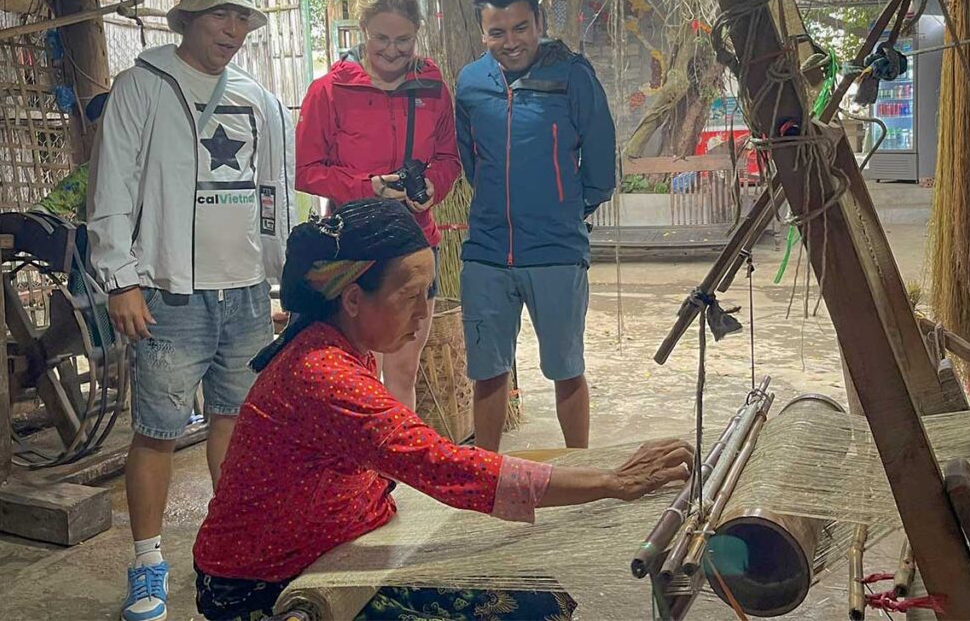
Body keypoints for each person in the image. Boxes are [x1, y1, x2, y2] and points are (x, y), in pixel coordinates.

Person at [190, 198, 691, 620]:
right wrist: (611, 483)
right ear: (352, 299)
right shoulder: (324, 375)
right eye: (410, 296)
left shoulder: (336, 341)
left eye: (427, 292)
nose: (425, 313)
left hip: (334, 542)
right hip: (260, 587)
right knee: (530, 610)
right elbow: (446, 466)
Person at [87, 0, 295, 621]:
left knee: (235, 423)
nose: (232, 30)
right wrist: (120, 277)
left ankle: (227, 551)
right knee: (155, 430)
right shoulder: (143, 86)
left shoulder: (259, 100)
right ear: (188, 19)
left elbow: (273, 198)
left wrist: (281, 279)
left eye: (241, 18)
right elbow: (112, 187)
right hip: (168, 292)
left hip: (244, 294)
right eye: (218, 17)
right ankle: (148, 562)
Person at [455, 0, 616, 452]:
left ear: (539, 22)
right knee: (487, 371)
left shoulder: (572, 75)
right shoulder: (469, 83)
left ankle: (579, 470)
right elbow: (471, 162)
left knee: (566, 369)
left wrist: (566, 209)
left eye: (521, 28)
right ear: (482, 33)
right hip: (485, 252)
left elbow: (602, 165)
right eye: (497, 32)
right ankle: (484, 475)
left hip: (556, 253)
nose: (511, 42)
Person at [295, 0, 461, 409]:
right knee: (353, 370)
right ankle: (356, 474)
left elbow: (449, 158)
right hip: (355, 248)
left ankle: (394, 473)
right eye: (381, 38)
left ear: (417, 34)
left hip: (416, 244)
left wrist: (432, 185)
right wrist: (364, 188)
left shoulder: (433, 90)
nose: (392, 50)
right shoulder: (329, 91)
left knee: (403, 370)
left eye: (403, 40)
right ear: (363, 30)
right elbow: (308, 172)